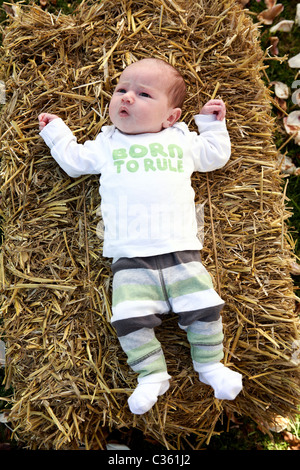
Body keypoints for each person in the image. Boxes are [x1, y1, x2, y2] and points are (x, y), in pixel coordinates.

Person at [38, 58, 243, 415]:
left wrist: (211, 125)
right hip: (130, 256)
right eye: (121, 90)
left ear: (171, 117)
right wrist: (57, 133)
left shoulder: (180, 140)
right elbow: (74, 162)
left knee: (203, 308)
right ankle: (151, 375)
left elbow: (214, 156)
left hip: (180, 250)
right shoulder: (107, 143)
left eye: (143, 93)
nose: (126, 98)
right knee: (129, 318)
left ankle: (210, 366)